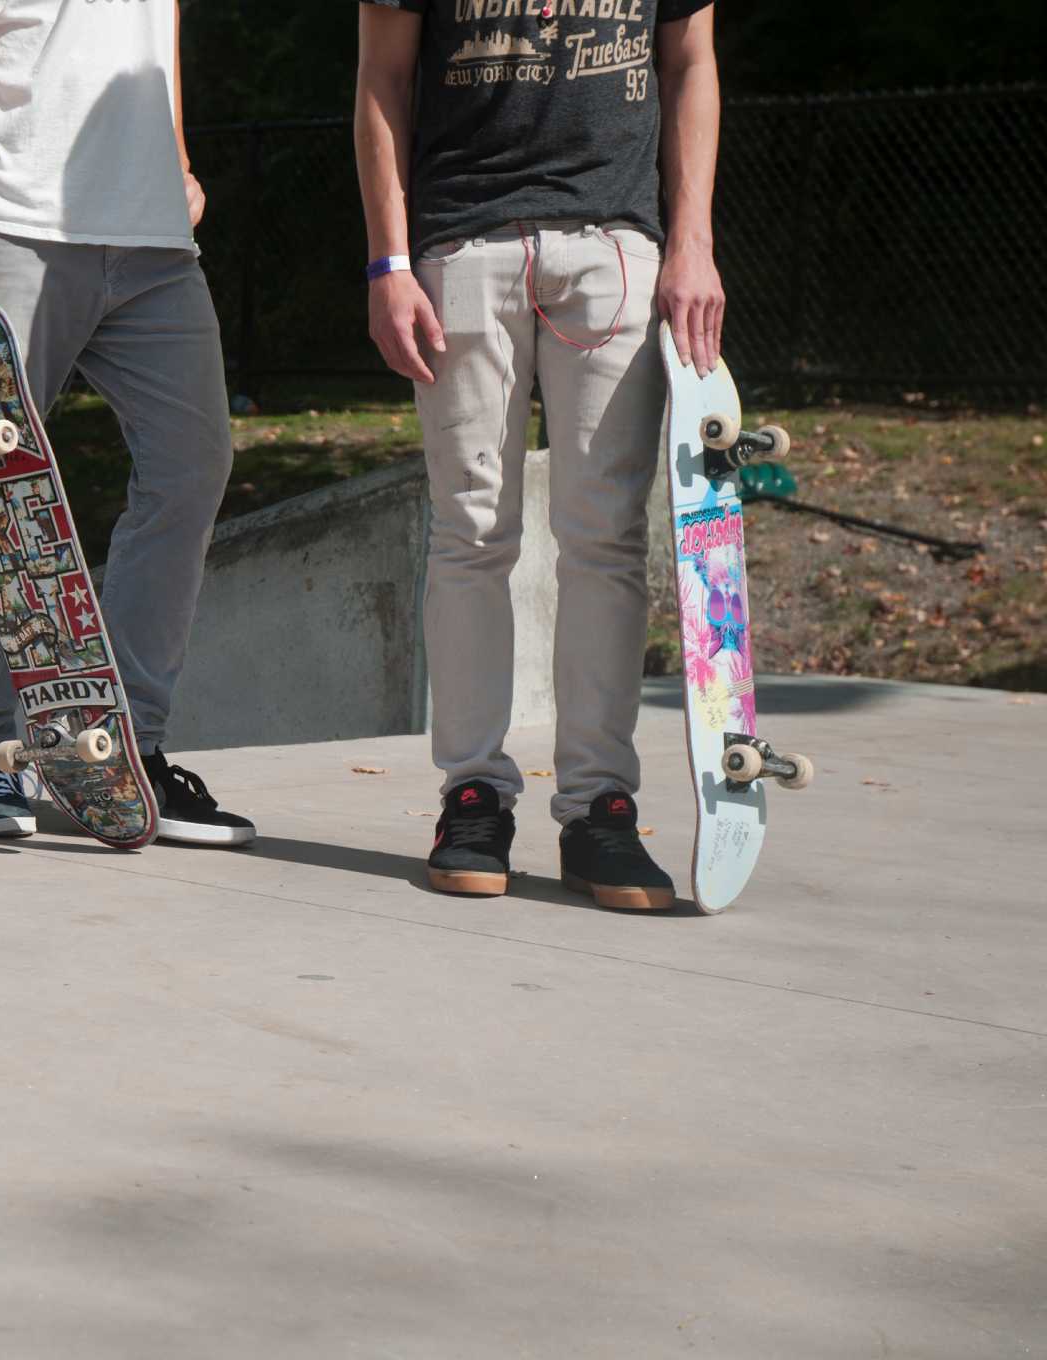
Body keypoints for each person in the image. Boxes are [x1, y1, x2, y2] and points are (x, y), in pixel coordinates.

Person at [353, 0, 724, 909]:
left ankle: (602, 808)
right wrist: (387, 262)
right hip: (463, 246)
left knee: (601, 538)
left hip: (617, 245)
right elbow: (381, 80)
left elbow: (691, 64)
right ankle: (473, 797)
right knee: (471, 534)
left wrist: (694, 242)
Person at [0, 0, 255, 847]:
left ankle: (126, 751)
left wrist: (175, 149)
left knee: (193, 465)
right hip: (12, 216)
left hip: (151, 237)